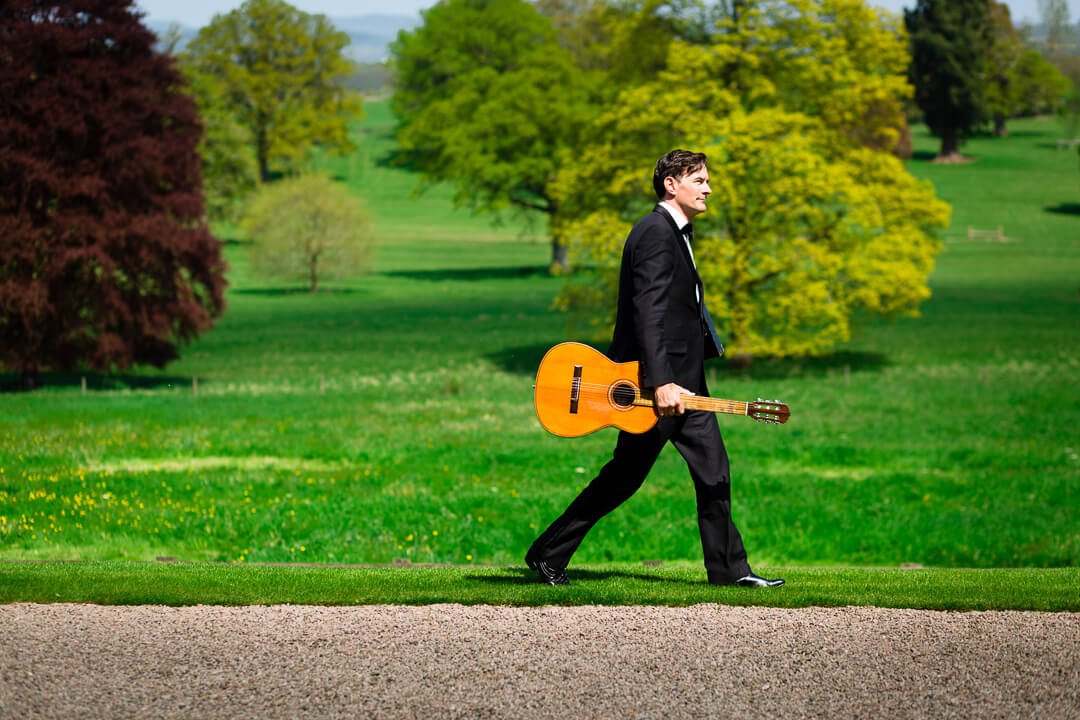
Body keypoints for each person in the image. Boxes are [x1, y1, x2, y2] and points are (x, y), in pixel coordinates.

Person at [525, 149, 783, 588]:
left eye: (707, 180)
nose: (708, 188)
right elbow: (649, 312)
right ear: (671, 184)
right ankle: (548, 554)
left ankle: (729, 571)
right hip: (655, 386)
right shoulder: (655, 233)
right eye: (699, 180)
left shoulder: (676, 233)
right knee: (624, 477)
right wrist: (661, 381)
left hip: (687, 382)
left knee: (714, 470)